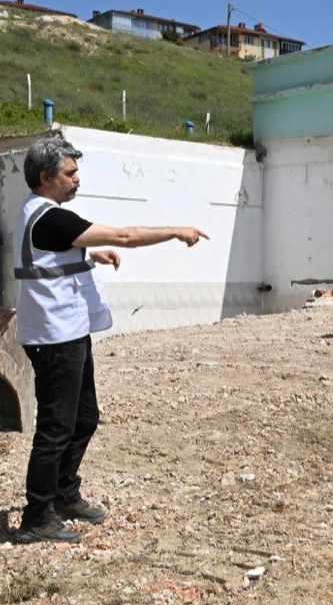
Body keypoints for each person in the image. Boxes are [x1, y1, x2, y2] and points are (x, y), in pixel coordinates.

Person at [12, 133, 208, 544]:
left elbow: (50, 253)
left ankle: (64, 493)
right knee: (56, 426)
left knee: (84, 417)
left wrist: (88, 254)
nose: (77, 178)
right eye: (70, 172)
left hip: (68, 331)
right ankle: (37, 515)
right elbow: (123, 236)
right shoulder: (50, 218)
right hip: (54, 336)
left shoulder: (42, 215)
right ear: (46, 177)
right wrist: (176, 231)